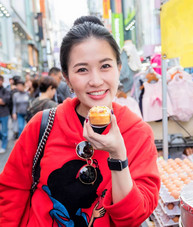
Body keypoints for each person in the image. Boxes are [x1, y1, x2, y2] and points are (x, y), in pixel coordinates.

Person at [0, 16, 160, 226]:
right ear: (66, 78)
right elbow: (11, 192)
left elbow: (134, 216)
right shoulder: (42, 125)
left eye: (105, 66)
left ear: (119, 68)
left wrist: (118, 155)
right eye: (82, 69)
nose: (95, 81)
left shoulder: (137, 132)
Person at [0, 75, 10, 154]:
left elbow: (3, 102)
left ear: (2, 81)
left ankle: (4, 145)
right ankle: (4, 139)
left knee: (4, 131)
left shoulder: (5, 90)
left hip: (4, 114)